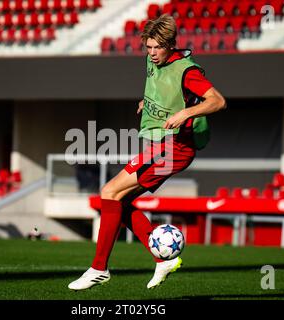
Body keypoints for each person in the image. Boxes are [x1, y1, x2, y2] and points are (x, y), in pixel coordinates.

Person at [68, 14, 226, 291]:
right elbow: (161, 87)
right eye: (148, 47)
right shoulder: (154, 61)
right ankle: (160, 257)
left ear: (171, 45)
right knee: (118, 201)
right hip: (160, 145)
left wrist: (186, 112)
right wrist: (148, 102)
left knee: (109, 192)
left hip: (174, 149)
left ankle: (99, 269)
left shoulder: (188, 71)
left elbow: (218, 101)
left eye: (157, 48)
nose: (152, 53)